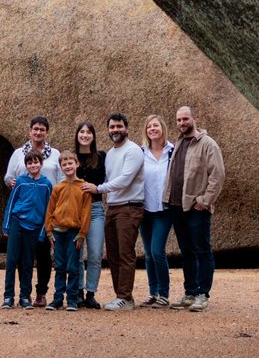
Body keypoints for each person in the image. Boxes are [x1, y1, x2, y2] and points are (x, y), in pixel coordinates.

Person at [168, 104, 226, 310]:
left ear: (194, 119)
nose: (182, 123)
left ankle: (203, 294)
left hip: (196, 208)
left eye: (185, 119)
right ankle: (190, 292)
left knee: (202, 250)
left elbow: (217, 175)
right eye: (178, 120)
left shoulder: (207, 144)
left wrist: (205, 200)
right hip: (177, 206)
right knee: (187, 252)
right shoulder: (179, 143)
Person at [3, 117, 61, 306]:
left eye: (42, 129)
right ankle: (18, 295)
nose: (38, 132)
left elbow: (59, 181)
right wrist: (14, 183)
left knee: (43, 255)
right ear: (30, 131)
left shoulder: (54, 154)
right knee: (19, 258)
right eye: (35, 129)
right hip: (22, 213)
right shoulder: (19, 153)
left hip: (44, 211)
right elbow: (9, 177)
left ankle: (40, 292)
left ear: (47, 132)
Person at [97, 112, 144, 309]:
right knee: (113, 254)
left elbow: (126, 179)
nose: (115, 130)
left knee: (125, 253)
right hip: (113, 207)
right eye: (112, 127)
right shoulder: (110, 154)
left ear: (126, 128)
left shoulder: (133, 151)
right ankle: (121, 296)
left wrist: (98, 189)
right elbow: (110, 179)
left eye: (119, 126)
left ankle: (125, 296)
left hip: (130, 207)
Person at [46, 150, 94, 310]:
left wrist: (82, 234)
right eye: (64, 164)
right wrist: (49, 231)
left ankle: (72, 299)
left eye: (70, 163)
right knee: (59, 265)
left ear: (77, 164)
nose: (67, 166)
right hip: (58, 232)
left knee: (73, 267)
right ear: (61, 167)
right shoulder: (57, 188)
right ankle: (57, 298)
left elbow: (86, 212)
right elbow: (50, 210)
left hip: (74, 232)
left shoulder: (83, 188)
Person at [138, 114, 176, 306]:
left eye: (156, 126)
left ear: (162, 128)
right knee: (148, 253)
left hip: (164, 208)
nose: (152, 129)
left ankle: (164, 293)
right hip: (145, 209)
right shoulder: (141, 153)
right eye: (149, 126)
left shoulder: (172, 151)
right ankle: (153, 292)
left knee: (157, 251)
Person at [71, 122, 106, 307]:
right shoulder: (71, 157)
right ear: (77, 135)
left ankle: (91, 293)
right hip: (75, 211)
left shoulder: (101, 157)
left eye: (88, 132)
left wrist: (97, 188)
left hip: (95, 209)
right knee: (76, 254)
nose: (85, 135)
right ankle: (77, 290)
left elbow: (109, 180)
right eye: (82, 132)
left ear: (93, 136)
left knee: (95, 253)